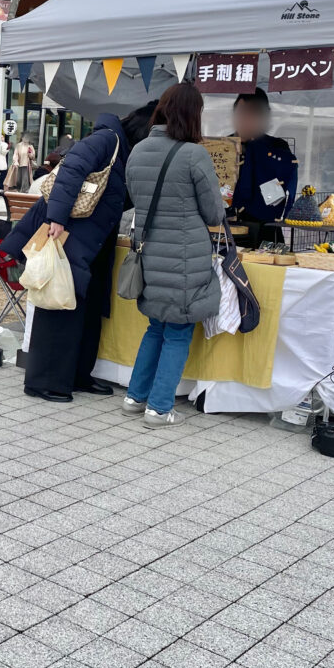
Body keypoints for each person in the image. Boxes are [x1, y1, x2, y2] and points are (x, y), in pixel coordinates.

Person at [2, 109, 146, 403]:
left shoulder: (121, 149)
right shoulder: (107, 139)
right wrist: (57, 217)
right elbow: (71, 169)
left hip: (92, 238)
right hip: (66, 232)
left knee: (87, 307)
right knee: (58, 304)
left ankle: (78, 375)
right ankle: (42, 382)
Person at [122, 84, 225, 428]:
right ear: (192, 115)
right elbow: (214, 214)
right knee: (178, 332)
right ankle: (160, 408)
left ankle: (135, 398)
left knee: (156, 327)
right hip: (185, 256)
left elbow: (137, 200)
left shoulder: (138, 151)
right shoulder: (195, 155)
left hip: (149, 251)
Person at [228, 89, 297, 247]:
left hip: (265, 230)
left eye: (251, 114)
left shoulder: (277, 148)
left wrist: (257, 153)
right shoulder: (225, 146)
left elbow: (277, 197)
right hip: (229, 230)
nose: (244, 120)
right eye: (241, 114)